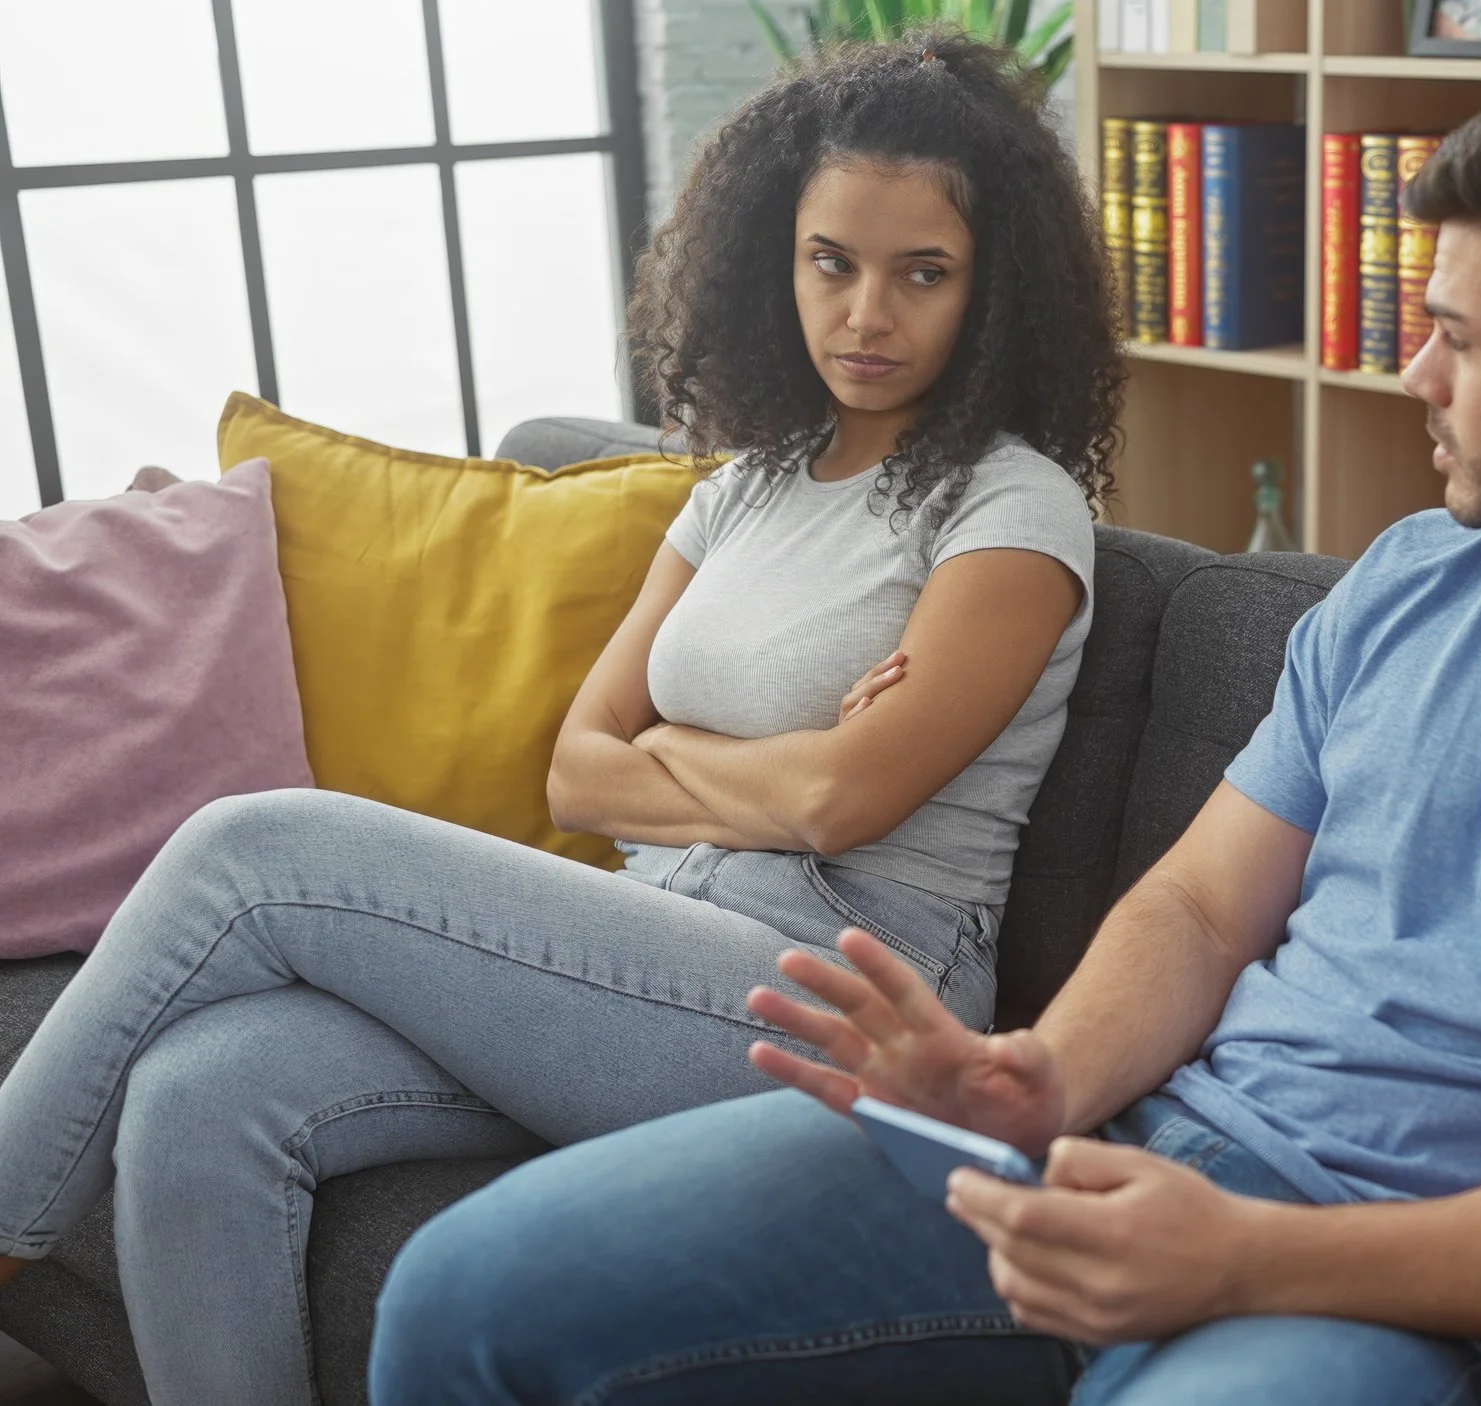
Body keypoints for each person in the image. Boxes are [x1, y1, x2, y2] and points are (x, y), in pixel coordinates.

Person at [367, 70, 1481, 1405]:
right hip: (1128, 1158)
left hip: (1390, 1293)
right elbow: (1202, 905)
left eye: (1455, 332)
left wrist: (1239, 1257)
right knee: (461, 1294)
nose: (1412, 370)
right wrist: (1037, 1078)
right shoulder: (1417, 585)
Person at [0, 33, 1117, 1406]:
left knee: (253, 848)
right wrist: (758, 758)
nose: (865, 314)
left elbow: (845, 807)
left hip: (838, 993)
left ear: (994, 292)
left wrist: (693, 754)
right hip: (651, 940)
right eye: (833, 261)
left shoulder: (1015, 507)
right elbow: (581, 769)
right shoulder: (745, 488)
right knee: (200, 1092)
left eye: (921, 273)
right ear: (779, 256)